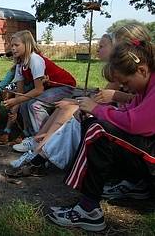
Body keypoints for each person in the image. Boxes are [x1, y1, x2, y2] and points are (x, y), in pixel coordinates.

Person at [47, 39, 155, 232]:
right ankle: (136, 184)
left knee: (99, 130)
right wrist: (95, 112)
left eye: (126, 82)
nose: (126, 89)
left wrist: (98, 110)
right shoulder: (144, 87)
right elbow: (126, 113)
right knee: (93, 123)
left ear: (142, 71)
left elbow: (137, 124)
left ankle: (89, 209)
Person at [3, 30, 76, 149]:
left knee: (35, 105)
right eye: (12, 46)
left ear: (27, 45)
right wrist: (15, 108)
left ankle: (43, 139)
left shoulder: (35, 60)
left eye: (16, 45)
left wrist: (15, 101)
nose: (13, 48)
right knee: (24, 103)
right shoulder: (20, 64)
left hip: (64, 86)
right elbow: (20, 91)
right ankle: (31, 135)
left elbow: (38, 90)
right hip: (51, 88)